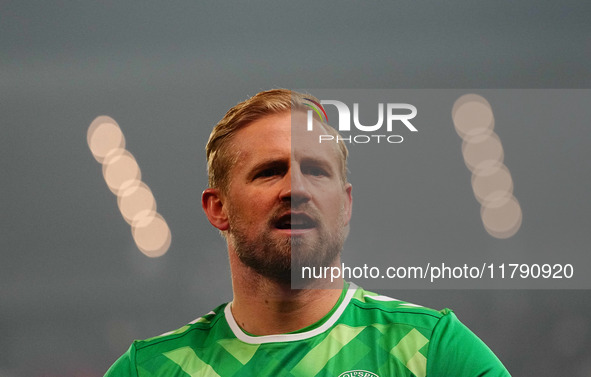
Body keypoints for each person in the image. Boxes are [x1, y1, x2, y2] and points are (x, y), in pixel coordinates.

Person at [105, 89, 511, 377]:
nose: (296, 188)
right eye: (269, 172)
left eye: (316, 171)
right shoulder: (151, 369)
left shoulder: (433, 350)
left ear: (346, 204)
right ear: (219, 208)